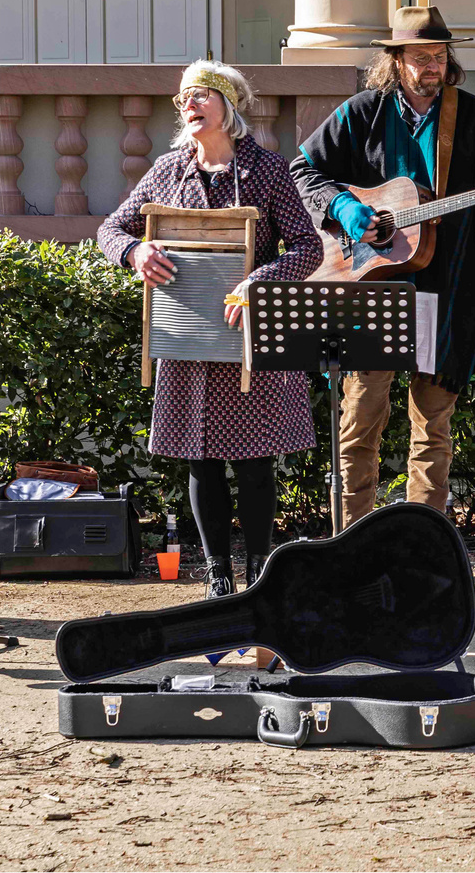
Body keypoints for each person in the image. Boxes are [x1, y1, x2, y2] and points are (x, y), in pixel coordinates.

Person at [99, 61, 323, 597]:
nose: (189, 106)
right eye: (183, 100)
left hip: (247, 333)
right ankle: (219, 573)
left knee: (254, 463)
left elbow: (309, 248)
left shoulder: (268, 170)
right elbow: (111, 227)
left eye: (200, 96)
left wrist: (258, 281)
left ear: (227, 105)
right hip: (190, 336)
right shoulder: (168, 171)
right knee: (200, 460)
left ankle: (262, 571)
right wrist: (135, 251)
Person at [292, 6, 475, 522]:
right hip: (372, 286)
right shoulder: (360, 112)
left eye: (439, 56)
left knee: (433, 427)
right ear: (395, 61)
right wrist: (348, 210)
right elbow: (304, 170)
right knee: (360, 421)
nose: (432, 66)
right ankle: (350, 542)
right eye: (420, 57)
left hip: (449, 287)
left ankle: (424, 545)